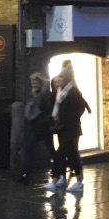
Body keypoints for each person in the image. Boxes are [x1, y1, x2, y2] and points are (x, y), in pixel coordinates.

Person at [46, 61, 90, 193]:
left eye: (62, 78)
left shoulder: (73, 92)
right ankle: (78, 180)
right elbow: (57, 108)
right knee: (72, 155)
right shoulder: (60, 91)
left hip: (70, 128)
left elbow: (77, 109)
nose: (59, 80)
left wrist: (70, 120)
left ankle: (54, 180)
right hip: (62, 127)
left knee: (60, 153)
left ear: (67, 78)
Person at [19, 72, 54, 184]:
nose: (33, 84)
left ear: (40, 82)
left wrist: (35, 97)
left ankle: (60, 171)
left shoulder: (46, 94)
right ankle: (25, 174)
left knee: (50, 149)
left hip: (44, 126)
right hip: (36, 127)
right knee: (29, 149)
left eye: (35, 82)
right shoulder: (34, 93)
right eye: (32, 82)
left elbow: (45, 108)